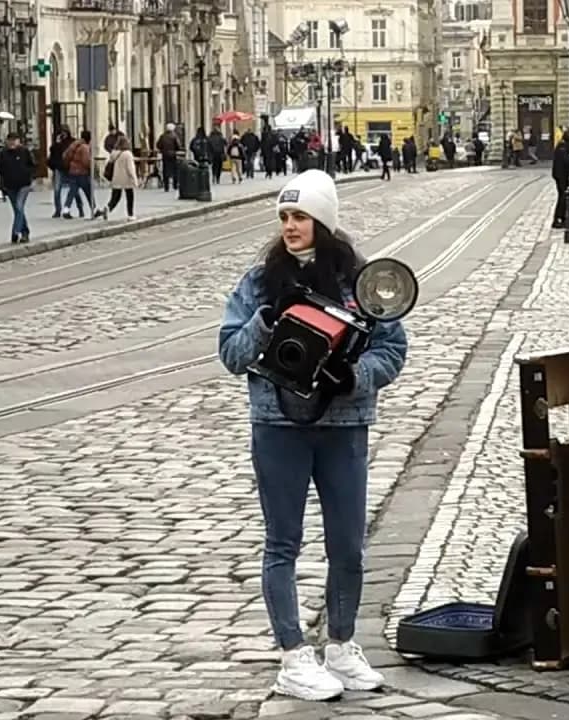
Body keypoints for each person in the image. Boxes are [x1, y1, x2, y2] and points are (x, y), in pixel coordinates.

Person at [217, 169, 408, 702]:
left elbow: (392, 349)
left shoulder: (360, 281)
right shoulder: (260, 282)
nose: (289, 226)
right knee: (283, 542)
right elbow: (231, 354)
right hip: (278, 425)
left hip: (344, 427)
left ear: (322, 222)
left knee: (348, 544)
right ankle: (293, 655)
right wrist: (265, 321)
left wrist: (356, 376)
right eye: (284, 216)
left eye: (299, 216)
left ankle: (342, 645)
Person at [0, 132, 36, 243]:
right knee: (18, 210)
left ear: (19, 141)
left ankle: (15, 232)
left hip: (24, 184)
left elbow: (32, 165)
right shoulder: (3, 153)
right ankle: (25, 232)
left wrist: (29, 175)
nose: (12, 142)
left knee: (19, 206)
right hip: (10, 185)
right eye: (10, 140)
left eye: (14, 140)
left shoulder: (24, 151)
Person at [96, 135, 137, 220]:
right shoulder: (128, 154)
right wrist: (134, 179)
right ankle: (130, 215)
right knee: (130, 197)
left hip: (116, 179)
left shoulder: (114, 154)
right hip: (127, 179)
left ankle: (108, 208)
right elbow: (130, 169)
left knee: (115, 197)